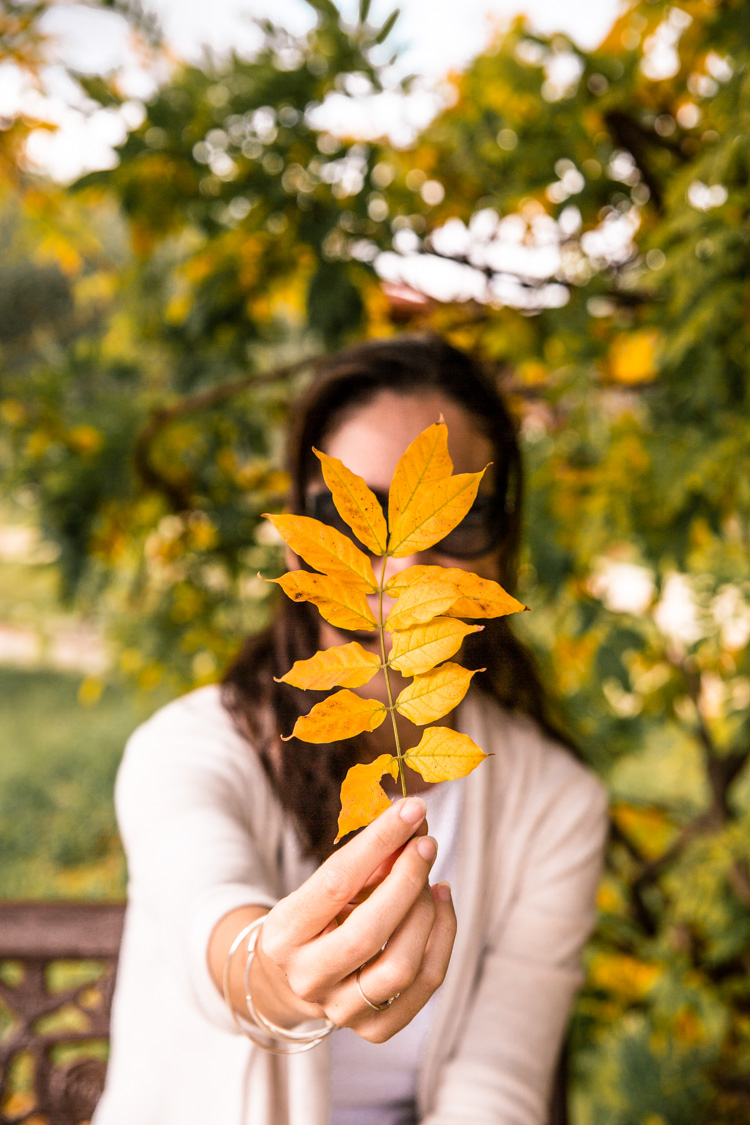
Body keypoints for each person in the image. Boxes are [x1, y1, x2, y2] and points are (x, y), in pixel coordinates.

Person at [93, 335, 608, 1125]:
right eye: (351, 514)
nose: (398, 573)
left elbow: (496, 1087)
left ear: (501, 546)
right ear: (302, 530)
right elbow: (209, 908)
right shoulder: (189, 749)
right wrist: (273, 975)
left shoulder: (555, 803)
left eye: (453, 519)